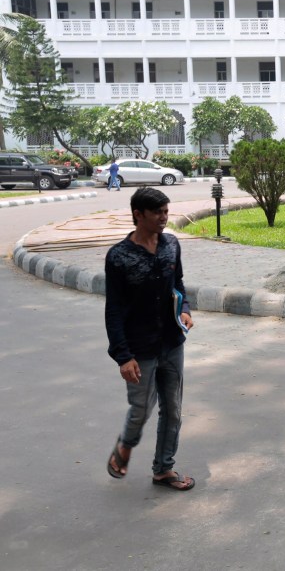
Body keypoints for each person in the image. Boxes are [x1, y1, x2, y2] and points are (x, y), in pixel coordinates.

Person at [105, 187, 196, 492]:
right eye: (157, 213)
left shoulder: (171, 245)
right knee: (141, 410)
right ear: (138, 214)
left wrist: (184, 309)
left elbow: (178, 283)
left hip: (171, 342)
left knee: (173, 409)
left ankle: (163, 469)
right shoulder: (119, 256)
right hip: (139, 348)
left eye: (166, 212)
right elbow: (114, 309)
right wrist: (123, 356)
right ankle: (126, 444)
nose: (163, 218)